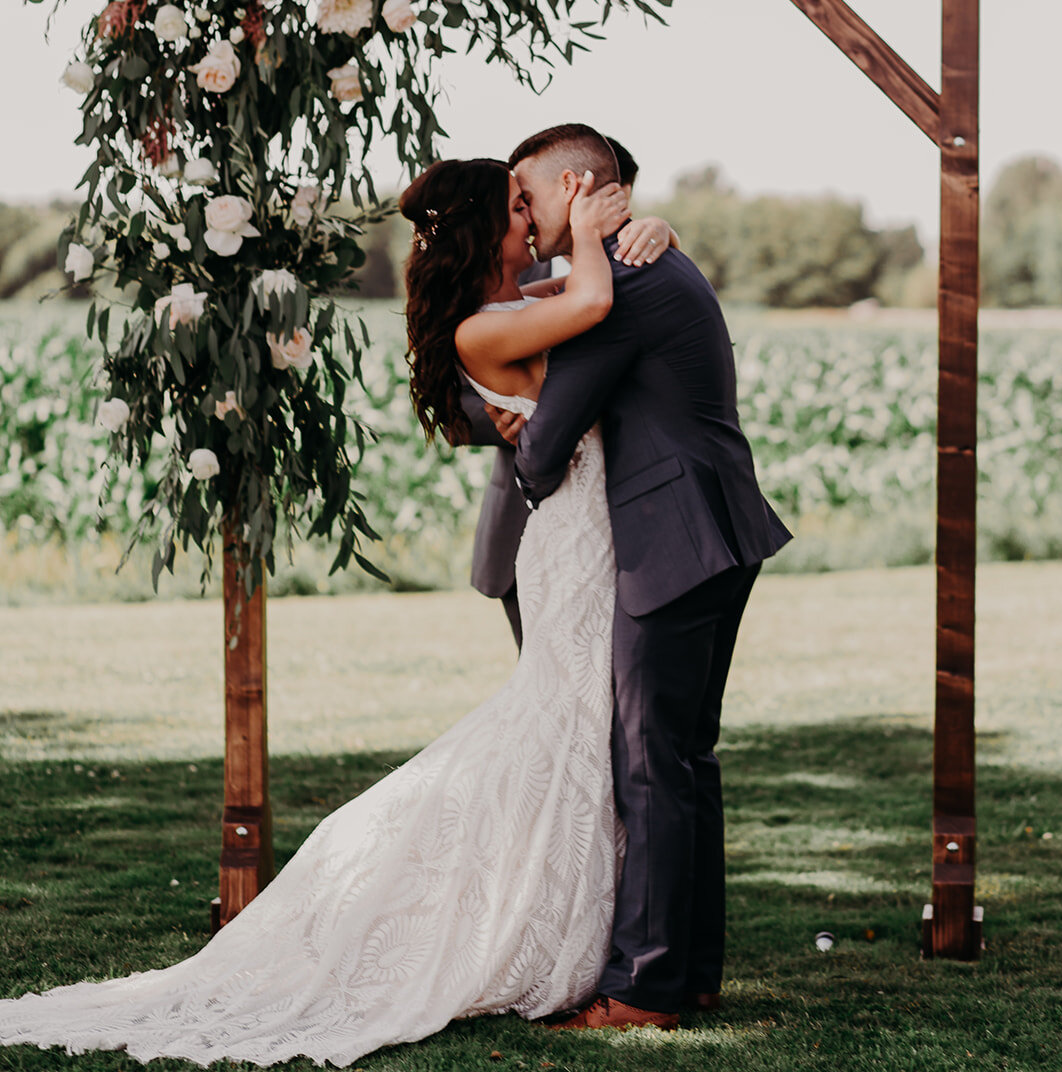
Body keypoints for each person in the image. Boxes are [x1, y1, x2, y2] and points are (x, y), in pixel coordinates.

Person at [0, 157, 634, 1066]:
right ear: (487, 229)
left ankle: (555, 904)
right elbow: (594, 308)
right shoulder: (482, 330)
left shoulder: (515, 300)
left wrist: (636, 233)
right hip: (572, 541)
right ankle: (495, 904)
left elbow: (582, 299)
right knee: (563, 719)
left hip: (584, 534)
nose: (531, 219)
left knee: (574, 723)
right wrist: (587, 225)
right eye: (518, 208)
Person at [493, 122, 792, 1033]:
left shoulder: (616, 283)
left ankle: (646, 989)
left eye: (529, 196)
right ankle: (691, 971)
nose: (526, 217)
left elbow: (542, 452)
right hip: (714, 527)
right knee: (684, 760)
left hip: (673, 536)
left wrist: (510, 419)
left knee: (651, 764)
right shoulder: (635, 262)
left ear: (579, 187)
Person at [464, 136, 674, 649]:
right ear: (572, 189)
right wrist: (511, 416)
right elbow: (450, 401)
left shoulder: (634, 264)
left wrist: (667, 231)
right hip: (526, 518)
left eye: (620, 202)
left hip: (627, 525)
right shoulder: (506, 267)